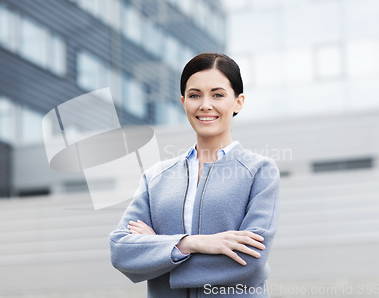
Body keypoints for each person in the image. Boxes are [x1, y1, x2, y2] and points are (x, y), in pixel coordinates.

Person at [109, 52, 280, 297]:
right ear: (183, 102)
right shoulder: (156, 177)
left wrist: (159, 252)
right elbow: (121, 251)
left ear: (238, 102)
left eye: (218, 94)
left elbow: (249, 259)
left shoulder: (259, 172)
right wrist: (191, 243)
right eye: (194, 95)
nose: (205, 104)